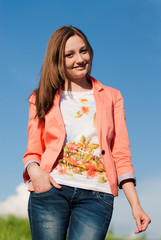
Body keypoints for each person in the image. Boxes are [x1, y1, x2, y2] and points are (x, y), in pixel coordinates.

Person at [23, 26, 151, 240]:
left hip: (97, 197)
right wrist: (36, 174)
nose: (80, 59)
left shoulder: (112, 97)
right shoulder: (40, 97)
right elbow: (33, 150)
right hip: (51, 190)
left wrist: (135, 206)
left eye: (83, 51)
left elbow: (120, 154)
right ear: (57, 60)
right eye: (69, 55)